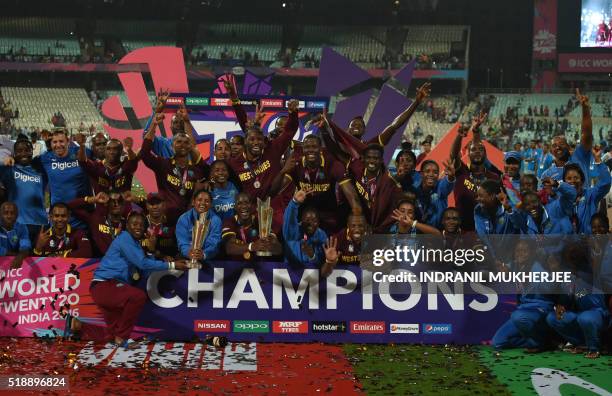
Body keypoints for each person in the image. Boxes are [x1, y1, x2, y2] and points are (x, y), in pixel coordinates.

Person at [90, 211, 189, 348]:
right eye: (134, 224)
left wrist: (152, 250)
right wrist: (172, 265)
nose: (138, 227)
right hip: (105, 285)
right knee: (137, 296)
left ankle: (119, 340)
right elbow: (143, 263)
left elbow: (145, 268)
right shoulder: (125, 238)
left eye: (142, 225)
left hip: (109, 287)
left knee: (111, 330)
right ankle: (122, 336)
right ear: (127, 226)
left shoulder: (135, 245)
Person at [275, 135, 362, 233]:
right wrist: (283, 171)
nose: (310, 150)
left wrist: (357, 217)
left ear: (320, 149)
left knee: (342, 217)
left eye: (314, 147)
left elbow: (352, 197)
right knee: (284, 229)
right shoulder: (296, 164)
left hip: (328, 210)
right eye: (307, 147)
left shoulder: (332, 164)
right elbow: (273, 191)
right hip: (305, 210)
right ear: (303, 149)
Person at [141, 111, 210, 222]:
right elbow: (144, 154)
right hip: (166, 220)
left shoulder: (196, 170)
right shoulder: (163, 164)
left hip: (189, 222)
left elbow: (209, 175)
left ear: (190, 146)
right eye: (178, 142)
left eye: (186, 142)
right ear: (172, 146)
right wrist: (153, 124)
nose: (182, 144)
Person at [492, 239, 556, 352]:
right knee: (498, 342)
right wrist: (501, 267)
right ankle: (545, 341)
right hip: (524, 310)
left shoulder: (537, 269)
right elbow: (505, 266)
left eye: (524, 251)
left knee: (517, 316)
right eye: (518, 251)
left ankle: (537, 343)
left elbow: (550, 289)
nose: (520, 254)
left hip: (539, 309)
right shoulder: (515, 265)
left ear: (531, 253)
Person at [450, 112, 499, 231]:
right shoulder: (461, 171)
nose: (477, 151)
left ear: (485, 154)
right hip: (463, 231)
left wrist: (476, 131)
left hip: (488, 232)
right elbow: (454, 155)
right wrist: (460, 136)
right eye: (473, 150)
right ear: (468, 154)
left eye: (481, 149)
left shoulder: (494, 177)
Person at [38, 129, 91, 228]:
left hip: (80, 216)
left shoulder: (81, 152)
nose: (58, 145)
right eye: (54, 142)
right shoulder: (45, 158)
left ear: (68, 141)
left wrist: (82, 144)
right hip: (58, 217)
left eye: (61, 141)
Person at [540, 89, 593, 183]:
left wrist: (585, 109)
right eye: (554, 146)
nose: (557, 146)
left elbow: (587, 135)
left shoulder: (579, 157)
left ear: (568, 147)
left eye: (561, 143)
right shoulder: (546, 175)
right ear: (551, 151)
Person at [348, 143, 403, 233]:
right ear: (364, 158)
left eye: (376, 158)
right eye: (369, 157)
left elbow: (394, 210)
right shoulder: (356, 169)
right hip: (357, 225)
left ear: (381, 160)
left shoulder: (389, 182)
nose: (372, 161)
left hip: (379, 229)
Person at [0, 139, 47, 243]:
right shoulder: (9, 169)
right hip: (16, 223)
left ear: (32, 151)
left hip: (39, 222)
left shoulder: (40, 170)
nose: (23, 153)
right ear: (14, 153)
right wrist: (5, 160)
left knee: (38, 257)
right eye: (19, 151)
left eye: (27, 150)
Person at [221, 192, 282, 260]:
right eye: (239, 203)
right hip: (236, 266)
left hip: (258, 267)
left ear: (252, 205)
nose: (244, 206)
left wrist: (268, 245)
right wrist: (252, 246)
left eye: (247, 202)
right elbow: (229, 248)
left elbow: (278, 249)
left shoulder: (261, 222)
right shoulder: (229, 222)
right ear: (235, 207)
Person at [67, 191, 131, 255]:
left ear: (124, 205)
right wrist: (93, 199)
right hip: (97, 262)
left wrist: (136, 199)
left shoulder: (129, 225)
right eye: (113, 201)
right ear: (107, 203)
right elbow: (69, 206)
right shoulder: (96, 219)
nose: (116, 204)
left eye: (119, 201)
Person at [563, 157, 611, 234]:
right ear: (564, 182)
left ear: (582, 180)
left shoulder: (590, 194)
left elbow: (605, 183)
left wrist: (598, 161)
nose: (573, 181)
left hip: (590, 242)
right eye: (569, 178)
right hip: (570, 243)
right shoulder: (561, 200)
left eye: (576, 178)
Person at [176, 189, 222, 264]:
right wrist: (188, 252)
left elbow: (214, 243)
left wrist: (204, 254)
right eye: (199, 200)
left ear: (211, 204)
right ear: (193, 202)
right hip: (187, 257)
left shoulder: (216, 220)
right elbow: (182, 242)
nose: (203, 203)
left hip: (208, 258)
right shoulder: (183, 219)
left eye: (207, 201)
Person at [283, 188, 327, 266]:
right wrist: (294, 203)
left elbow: (321, 265)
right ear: (301, 221)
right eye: (307, 220)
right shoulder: (293, 232)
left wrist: (312, 256)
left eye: (314, 221)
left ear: (319, 223)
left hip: (312, 276)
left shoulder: (321, 236)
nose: (310, 223)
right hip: (290, 274)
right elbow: (289, 220)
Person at [414, 159, 455, 229]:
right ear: (421, 174)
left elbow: (447, 184)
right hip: (420, 233)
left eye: (435, 172)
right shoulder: (415, 191)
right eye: (427, 171)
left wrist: (451, 177)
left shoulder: (440, 187)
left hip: (439, 234)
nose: (431, 175)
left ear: (438, 175)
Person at [141, 192, 177, 259]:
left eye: (158, 203)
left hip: (169, 265)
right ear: (146, 206)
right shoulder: (140, 224)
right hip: (145, 263)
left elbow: (176, 249)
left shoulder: (172, 223)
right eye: (152, 204)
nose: (155, 207)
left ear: (164, 205)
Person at [0, 202, 31, 268]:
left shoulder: (22, 227)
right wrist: (17, 255)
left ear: (17, 215)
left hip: (13, 263)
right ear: (0, 215)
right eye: (6, 213)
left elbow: (25, 246)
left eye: (12, 213)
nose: (9, 216)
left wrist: (20, 256)